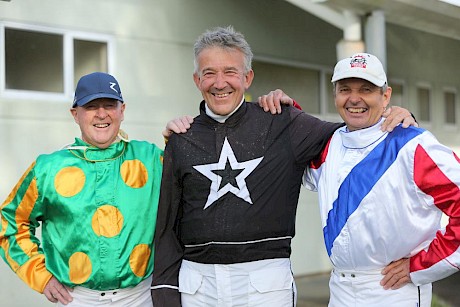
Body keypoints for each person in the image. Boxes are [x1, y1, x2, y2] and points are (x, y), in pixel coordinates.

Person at [151, 26, 415, 307]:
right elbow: (167, 226)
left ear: (248, 77)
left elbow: (356, 135)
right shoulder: (181, 138)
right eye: (209, 73)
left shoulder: (282, 121)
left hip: (266, 286)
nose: (220, 83)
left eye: (230, 72)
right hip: (197, 287)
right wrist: (165, 292)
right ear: (196, 79)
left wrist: (400, 117)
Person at [297, 52, 460, 306]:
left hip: (394, 290)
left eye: (366, 89)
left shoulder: (413, 144)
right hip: (339, 291)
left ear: (386, 96)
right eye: (345, 89)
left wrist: (420, 267)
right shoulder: (327, 144)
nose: (354, 99)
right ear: (335, 95)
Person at [0, 72, 163, 306]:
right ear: (75, 114)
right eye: (91, 106)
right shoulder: (48, 168)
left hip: (141, 297)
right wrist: (42, 278)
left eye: (109, 105)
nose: (101, 114)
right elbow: (9, 224)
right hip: (78, 299)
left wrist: (178, 136)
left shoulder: (152, 159)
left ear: (122, 110)